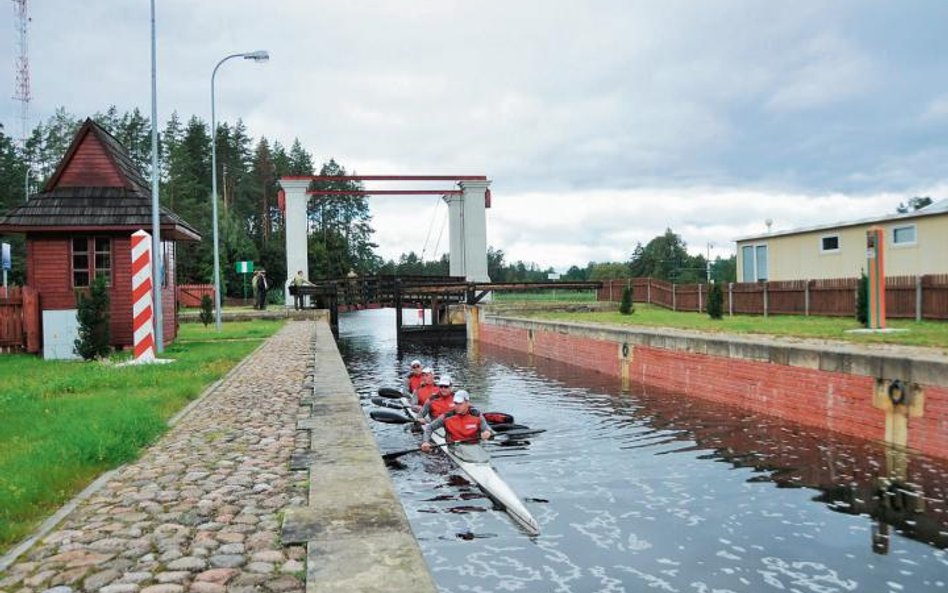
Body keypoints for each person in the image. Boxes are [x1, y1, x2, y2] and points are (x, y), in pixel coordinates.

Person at [421, 390, 493, 452]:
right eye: (455, 403)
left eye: (460, 403)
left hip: (474, 448)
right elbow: (430, 427)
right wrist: (425, 442)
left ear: (467, 403)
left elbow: (487, 429)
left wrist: (488, 432)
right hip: (455, 446)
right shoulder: (447, 416)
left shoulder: (476, 415)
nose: (457, 406)